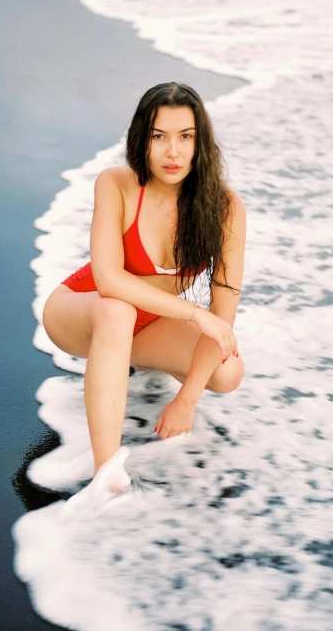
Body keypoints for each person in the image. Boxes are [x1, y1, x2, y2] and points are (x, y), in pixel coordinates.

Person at [42, 82, 246, 488]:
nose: (173, 152)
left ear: (200, 142)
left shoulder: (225, 209)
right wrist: (193, 314)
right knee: (117, 311)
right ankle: (107, 476)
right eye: (159, 137)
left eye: (185, 137)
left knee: (227, 372)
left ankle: (128, 364)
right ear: (142, 140)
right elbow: (108, 280)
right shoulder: (116, 184)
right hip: (81, 310)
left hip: (148, 324)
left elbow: (222, 317)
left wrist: (186, 401)